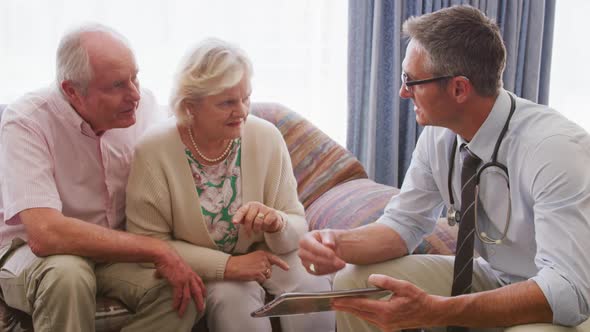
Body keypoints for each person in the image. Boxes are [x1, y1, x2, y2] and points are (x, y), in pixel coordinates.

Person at [298, 5, 590, 332]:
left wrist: (439, 311)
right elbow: (403, 225)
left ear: (459, 89)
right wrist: (335, 243)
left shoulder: (555, 149)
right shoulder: (439, 136)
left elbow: (569, 291)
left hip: (570, 299)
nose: (402, 92)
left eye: (411, 80)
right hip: (499, 278)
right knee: (358, 281)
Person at [0, 24, 205, 332]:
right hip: (31, 253)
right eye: (117, 86)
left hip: (114, 253)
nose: (134, 95)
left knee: (184, 291)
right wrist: (157, 249)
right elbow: (45, 235)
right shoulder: (26, 121)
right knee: (68, 276)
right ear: (71, 91)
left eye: (135, 77)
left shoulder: (147, 109)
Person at [125, 38, 335, 332]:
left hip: (273, 255)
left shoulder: (267, 137)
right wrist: (227, 266)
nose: (242, 111)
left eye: (245, 98)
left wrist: (278, 224)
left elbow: (297, 222)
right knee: (232, 300)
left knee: (311, 285)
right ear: (190, 106)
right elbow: (149, 244)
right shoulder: (153, 150)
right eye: (226, 102)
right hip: (212, 268)